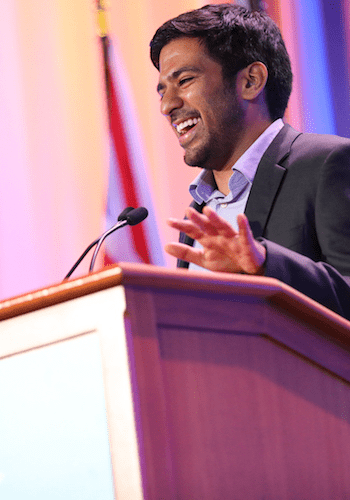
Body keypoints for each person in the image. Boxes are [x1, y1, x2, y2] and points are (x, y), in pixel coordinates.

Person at [150, 3, 350, 320]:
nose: (167, 105)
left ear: (250, 81)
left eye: (185, 81)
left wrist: (265, 263)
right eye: (162, 90)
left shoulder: (328, 164)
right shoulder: (199, 212)